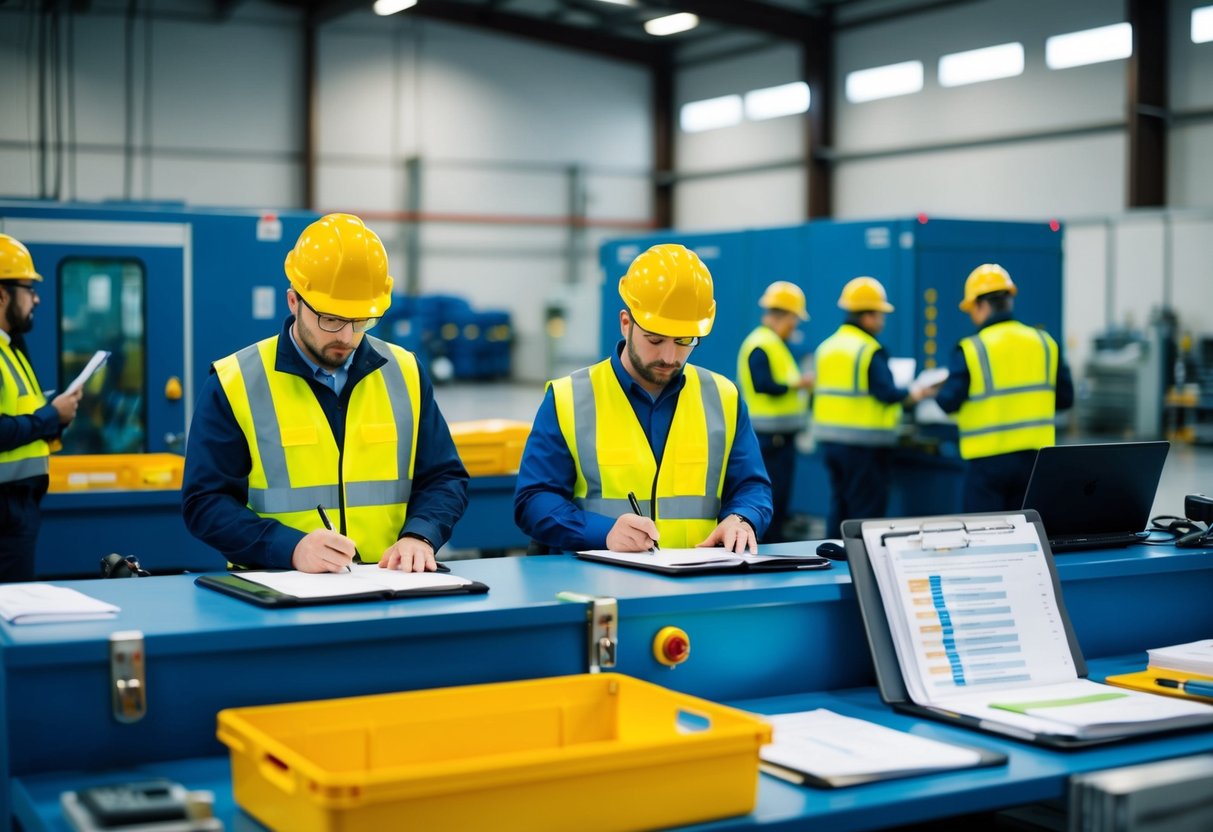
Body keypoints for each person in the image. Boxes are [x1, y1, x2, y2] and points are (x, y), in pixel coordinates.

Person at [182, 213, 468, 573]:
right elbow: (205, 503)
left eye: (360, 320)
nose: (346, 337)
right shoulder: (235, 382)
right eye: (331, 319)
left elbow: (444, 477)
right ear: (293, 301)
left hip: (388, 589)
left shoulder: (405, 372)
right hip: (280, 591)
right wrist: (290, 548)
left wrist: (420, 535)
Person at [515, 243, 772, 554]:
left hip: (698, 585)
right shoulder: (570, 397)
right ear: (626, 323)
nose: (669, 355)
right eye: (655, 339)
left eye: (684, 341)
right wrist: (604, 532)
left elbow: (751, 486)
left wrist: (741, 518)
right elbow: (534, 500)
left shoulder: (722, 397)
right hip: (598, 585)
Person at [935, 263, 1073, 512]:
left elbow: (948, 402)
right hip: (1036, 461)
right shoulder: (1044, 343)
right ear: (1009, 300)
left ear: (980, 304)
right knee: (1029, 538)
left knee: (985, 540)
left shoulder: (971, 349)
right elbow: (1065, 398)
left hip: (987, 466)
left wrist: (938, 391)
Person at [812, 276, 931, 538]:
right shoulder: (869, 350)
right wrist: (916, 393)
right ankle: (862, 568)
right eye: (879, 315)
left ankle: (837, 561)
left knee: (840, 505)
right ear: (866, 316)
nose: (882, 321)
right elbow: (886, 393)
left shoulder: (827, 347)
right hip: (864, 447)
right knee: (864, 512)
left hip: (831, 443)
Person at [0, 234, 82, 582]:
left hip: (17, 508)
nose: (36, 298)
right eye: (28, 289)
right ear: (2, 294)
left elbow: (22, 415)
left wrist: (57, 415)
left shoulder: (11, 349)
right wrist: (51, 415)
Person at [737, 281, 814, 543]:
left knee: (779, 500)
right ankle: (768, 549)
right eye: (794, 319)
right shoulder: (761, 344)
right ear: (786, 316)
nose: (795, 326)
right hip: (770, 440)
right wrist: (798, 384)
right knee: (772, 500)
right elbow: (763, 384)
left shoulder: (773, 343)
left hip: (779, 438)